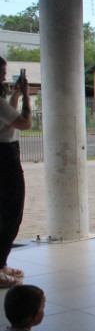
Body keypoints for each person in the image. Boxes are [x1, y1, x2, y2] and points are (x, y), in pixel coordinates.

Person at [0, 56, 31, 287]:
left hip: (6, 155)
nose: (3, 78)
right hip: (5, 159)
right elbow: (23, 123)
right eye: (1, 74)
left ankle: (1, 264)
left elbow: (6, 119)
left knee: (6, 213)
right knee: (10, 213)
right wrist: (27, 97)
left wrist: (16, 96)